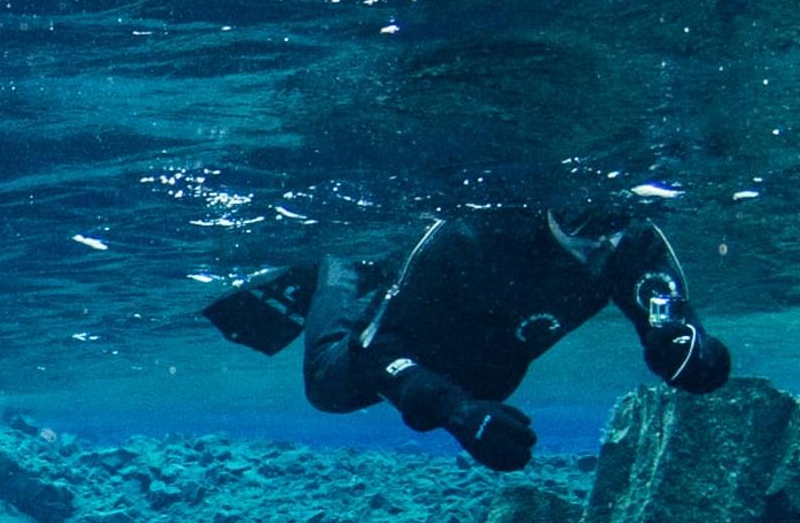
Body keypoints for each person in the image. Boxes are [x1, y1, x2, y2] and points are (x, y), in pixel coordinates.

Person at [205, 196, 729, 471]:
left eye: (610, 222)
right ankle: (343, 267)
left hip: (489, 358)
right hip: (407, 331)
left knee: (491, 386)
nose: (600, 242)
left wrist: (691, 355)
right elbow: (378, 352)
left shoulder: (631, 240)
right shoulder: (475, 233)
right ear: (551, 209)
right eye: (583, 221)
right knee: (329, 386)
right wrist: (454, 413)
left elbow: (682, 331)